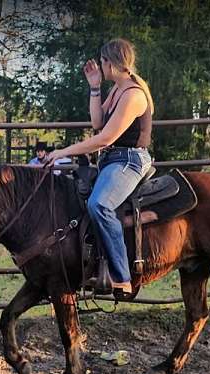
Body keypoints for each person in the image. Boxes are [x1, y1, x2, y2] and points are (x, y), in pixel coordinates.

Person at [46, 38, 154, 294]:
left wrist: (63, 151)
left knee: (100, 204)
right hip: (112, 160)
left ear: (111, 62)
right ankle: (91, 266)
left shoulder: (134, 95)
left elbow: (105, 138)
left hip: (129, 159)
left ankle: (122, 276)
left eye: (103, 62)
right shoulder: (117, 89)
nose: (101, 67)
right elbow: (97, 122)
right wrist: (94, 88)